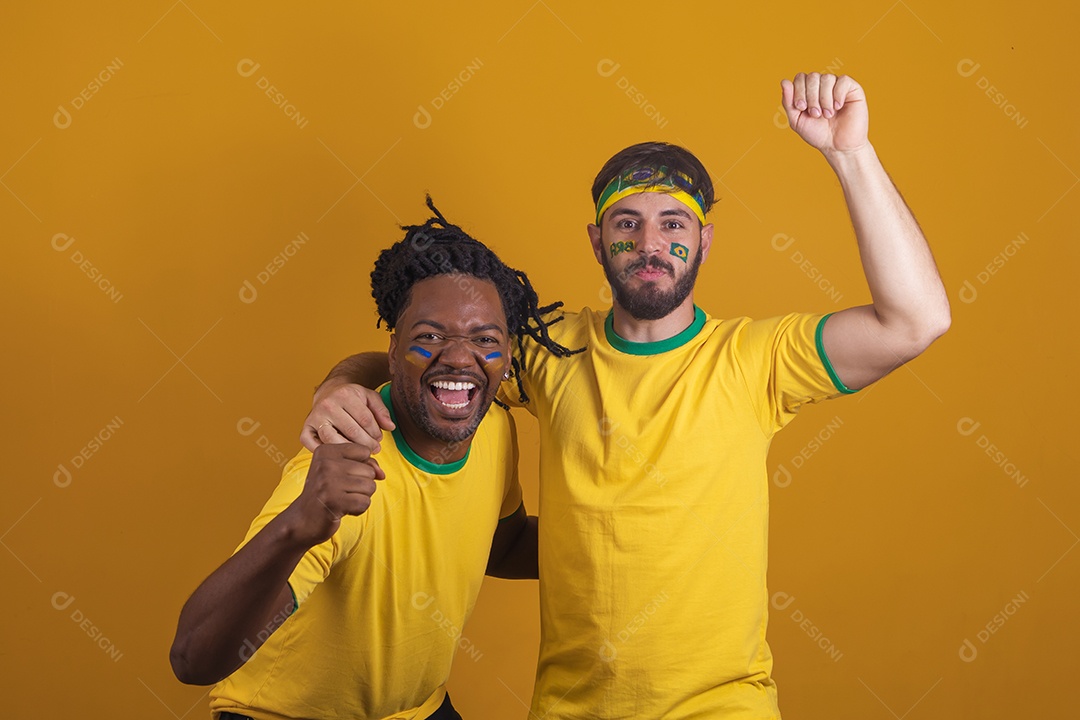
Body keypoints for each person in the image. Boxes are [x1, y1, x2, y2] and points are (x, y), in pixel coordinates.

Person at [299, 73, 951, 718]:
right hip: (568, 708)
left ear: (704, 241)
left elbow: (916, 321)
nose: (649, 244)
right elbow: (431, 361)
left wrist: (849, 154)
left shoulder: (756, 361)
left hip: (721, 709)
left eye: (673, 224)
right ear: (596, 241)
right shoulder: (547, 351)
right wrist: (341, 384)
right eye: (626, 224)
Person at [169, 200, 578, 720]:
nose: (458, 356)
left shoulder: (494, 427)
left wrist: (624, 544)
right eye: (429, 337)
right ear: (392, 350)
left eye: (485, 340)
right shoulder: (343, 462)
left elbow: (505, 543)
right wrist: (300, 524)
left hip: (417, 710)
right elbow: (192, 657)